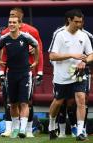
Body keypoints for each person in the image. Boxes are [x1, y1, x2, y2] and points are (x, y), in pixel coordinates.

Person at [48, 9, 93, 141]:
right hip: (61, 76)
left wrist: (84, 61)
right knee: (58, 102)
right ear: (69, 20)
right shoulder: (59, 34)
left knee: (81, 99)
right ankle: (51, 126)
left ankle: (80, 131)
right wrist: (71, 55)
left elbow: (91, 54)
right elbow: (52, 56)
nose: (79, 24)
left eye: (80, 21)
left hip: (78, 73)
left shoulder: (84, 35)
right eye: (76, 22)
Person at [0, 7, 44, 138]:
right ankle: (12, 129)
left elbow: (39, 49)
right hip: (11, 72)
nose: (11, 20)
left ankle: (27, 129)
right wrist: (2, 70)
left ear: (20, 18)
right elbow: (2, 54)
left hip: (27, 71)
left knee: (26, 101)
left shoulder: (31, 31)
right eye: (10, 17)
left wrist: (40, 69)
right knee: (11, 102)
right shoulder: (5, 34)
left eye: (14, 16)